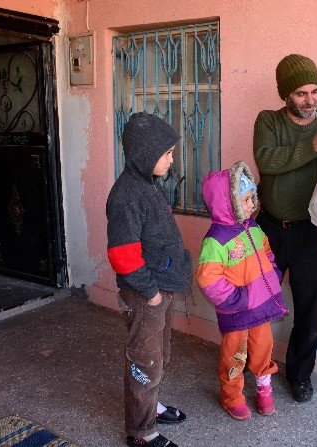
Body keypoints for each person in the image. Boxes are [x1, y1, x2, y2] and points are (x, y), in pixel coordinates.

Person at [253, 54, 317, 403]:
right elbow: (266, 160)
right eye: (301, 93)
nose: (310, 100)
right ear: (284, 95)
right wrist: (311, 146)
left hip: (311, 233)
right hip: (269, 229)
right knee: (257, 304)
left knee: (310, 312)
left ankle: (300, 376)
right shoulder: (268, 121)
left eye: (314, 91)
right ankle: (253, 367)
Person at [107, 112, 192, 447]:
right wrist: (152, 295)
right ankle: (141, 432)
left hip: (160, 290)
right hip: (146, 295)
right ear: (145, 155)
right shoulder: (126, 195)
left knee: (160, 356)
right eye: (167, 153)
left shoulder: (149, 184)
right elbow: (123, 255)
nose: (172, 159)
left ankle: (151, 408)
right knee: (145, 361)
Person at [196, 160, 288, 420]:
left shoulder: (254, 228)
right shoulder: (216, 240)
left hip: (261, 307)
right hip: (237, 312)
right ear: (229, 203)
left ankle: (264, 389)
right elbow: (208, 278)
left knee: (262, 350)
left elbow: (268, 254)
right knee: (234, 356)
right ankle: (232, 396)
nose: (252, 205)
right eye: (246, 200)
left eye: (252, 198)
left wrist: (273, 276)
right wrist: (239, 299)